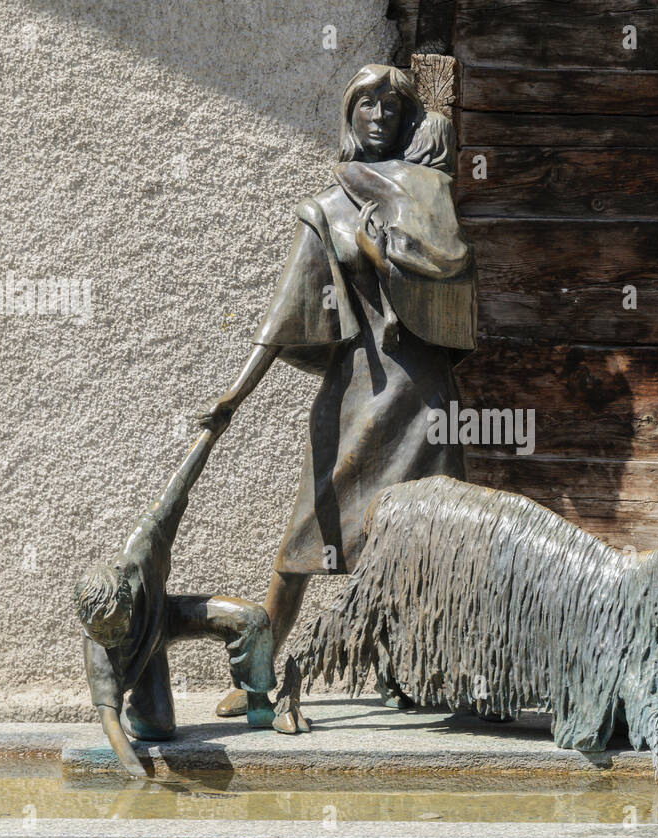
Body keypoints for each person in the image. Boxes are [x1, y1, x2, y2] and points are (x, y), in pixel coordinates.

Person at [196, 64, 476, 718]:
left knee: (424, 545)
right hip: (355, 390)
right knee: (304, 539)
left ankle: (410, 674)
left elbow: (455, 269)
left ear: (407, 119)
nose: (378, 115)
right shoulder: (326, 210)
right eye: (366, 104)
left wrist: (386, 254)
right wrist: (232, 398)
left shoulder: (424, 194)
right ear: (348, 114)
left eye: (392, 105)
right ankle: (258, 674)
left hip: (423, 391)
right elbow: (283, 314)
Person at [74, 424, 307, 780]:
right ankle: (148, 708)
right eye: (105, 636)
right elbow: (111, 724)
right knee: (159, 729)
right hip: (149, 653)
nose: (112, 641)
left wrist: (212, 432)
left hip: (166, 614)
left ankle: (260, 704)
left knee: (252, 618)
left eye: (117, 631)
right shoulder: (98, 639)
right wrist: (140, 778)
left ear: (128, 598)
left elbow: (178, 485)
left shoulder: (143, 548)